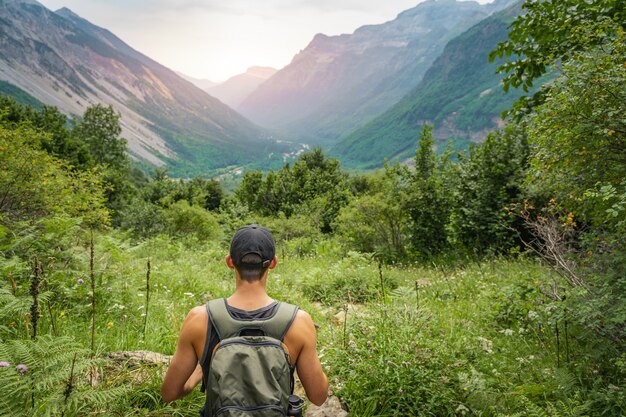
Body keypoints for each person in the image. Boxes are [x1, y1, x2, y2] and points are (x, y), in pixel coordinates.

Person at [161, 224, 328, 415]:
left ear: (230, 262)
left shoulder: (200, 318)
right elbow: (318, 396)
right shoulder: (298, 321)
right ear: (273, 262)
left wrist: (198, 375)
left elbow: (169, 393)